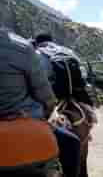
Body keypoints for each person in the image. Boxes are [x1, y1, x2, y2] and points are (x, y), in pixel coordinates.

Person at [0, 30, 60, 173]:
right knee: (72, 143)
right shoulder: (23, 48)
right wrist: (44, 116)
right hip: (28, 127)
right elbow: (47, 98)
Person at [32, 33, 87, 177]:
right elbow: (84, 74)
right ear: (51, 41)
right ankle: (88, 128)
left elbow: (37, 81)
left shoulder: (37, 53)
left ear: (37, 43)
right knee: (87, 111)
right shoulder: (67, 50)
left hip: (54, 95)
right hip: (75, 94)